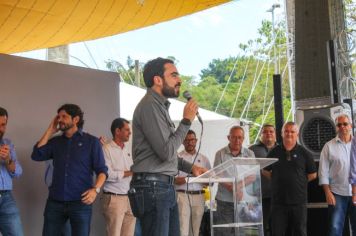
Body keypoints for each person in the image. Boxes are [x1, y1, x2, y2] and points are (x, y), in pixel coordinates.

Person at [128, 57, 206, 236]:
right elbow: (167, 152)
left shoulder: (159, 107)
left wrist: (191, 167)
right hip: (154, 188)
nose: (179, 80)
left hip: (162, 188)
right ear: (158, 80)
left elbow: (167, 152)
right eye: (174, 75)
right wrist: (186, 121)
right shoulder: (149, 106)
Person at [31, 104, 108, 236]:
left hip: (81, 203)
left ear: (76, 119)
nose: (60, 119)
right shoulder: (55, 142)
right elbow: (36, 155)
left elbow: (102, 170)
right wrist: (50, 130)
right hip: (55, 202)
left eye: (64, 116)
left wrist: (95, 190)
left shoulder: (92, 142)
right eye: (58, 117)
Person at [263, 121, 317, 236]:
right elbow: (265, 170)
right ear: (282, 133)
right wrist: (276, 179)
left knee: (300, 232)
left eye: (292, 131)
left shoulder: (304, 153)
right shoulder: (274, 151)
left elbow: (313, 174)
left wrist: (300, 181)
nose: (289, 134)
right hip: (278, 202)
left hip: (299, 202)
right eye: (286, 131)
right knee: (277, 232)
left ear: (297, 134)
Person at [213, 125, 256, 236]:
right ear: (229, 137)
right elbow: (218, 175)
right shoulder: (220, 153)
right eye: (234, 137)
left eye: (240, 137)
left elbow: (253, 176)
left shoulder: (250, 154)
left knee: (244, 232)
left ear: (243, 138)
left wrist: (238, 186)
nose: (237, 140)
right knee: (223, 232)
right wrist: (234, 188)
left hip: (244, 201)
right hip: (224, 201)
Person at [319, 114, 356, 236]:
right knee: (335, 229)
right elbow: (323, 171)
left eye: (345, 124)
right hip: (337, 194)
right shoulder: (328, 146)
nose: (342, 127)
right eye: (339, 125)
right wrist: (327, 192)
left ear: (351, 125)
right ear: (336, 127)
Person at [101, 118, 136, 236]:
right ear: (117, 131)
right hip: (114, 198)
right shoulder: (106, 149)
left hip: (131, 198)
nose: (130, 133)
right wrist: (130, 172)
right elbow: (107, 174)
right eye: (127, 130)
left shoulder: (130, 148)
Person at [175, 130, 211, 236]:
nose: (189, 142)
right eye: (186, 140)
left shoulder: (204, 159)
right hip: (182, 195)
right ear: (182, 142)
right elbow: (173, 180)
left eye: (192, 140)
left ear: (196, 141)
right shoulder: (177, 158)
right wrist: (190, 177)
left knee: (196, 230)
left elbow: (210, 180)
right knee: (183, 229)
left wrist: (206, 180)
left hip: (199, 195)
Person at [249, 124, 277, 236]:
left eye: (271, 131)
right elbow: (247, 172)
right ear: (261, 134)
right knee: (260, 228)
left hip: (278, 197)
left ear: (275, 134)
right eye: (265, 131)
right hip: (258, 198)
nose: (268, 133)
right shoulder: (252, 150)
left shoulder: (281, 149)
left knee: (277, 227)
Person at [0, 107, 24, 236]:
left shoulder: (7, 143)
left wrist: (8, 160)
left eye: (3, 125)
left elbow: (18, 172)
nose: (1, 129)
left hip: (6, 197)